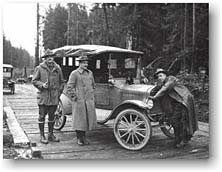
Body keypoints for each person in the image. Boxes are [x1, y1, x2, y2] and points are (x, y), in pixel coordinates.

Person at [150, 68, 198, 148]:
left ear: (165, 75)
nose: (159, 78)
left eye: (161, 75)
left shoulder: (171, 79)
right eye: (158, 77)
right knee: (176, 120)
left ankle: (182, 140)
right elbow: (157, 88)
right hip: (178, 101)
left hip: (183, 99)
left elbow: (165, 88)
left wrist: (155, 97)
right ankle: (179, 139)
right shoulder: (164, 82)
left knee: (181, 120)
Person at [32, 49, 64, 144]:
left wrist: (59, 92)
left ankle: (51, 135)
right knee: (42, 116)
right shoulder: (40, 68)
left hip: (54, 97)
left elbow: (62, 82)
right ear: (45, 59)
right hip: (43, 97)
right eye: (48, 57)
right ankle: (42, 136)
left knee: (52, 116)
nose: (50, 59)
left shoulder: (58, 68)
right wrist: (42, 85)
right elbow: (34, 81)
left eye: (52, 57)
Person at [66, 55, 97, 146]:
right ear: (79, 63)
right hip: (79, 101)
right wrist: (75, 97)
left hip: (88, 100)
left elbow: (93, 85)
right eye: (83, 63)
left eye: (86, 62)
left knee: (86, 120)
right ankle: (79, 138)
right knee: (79, 120)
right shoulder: (74, 73)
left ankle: (84, 138)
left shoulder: (90, 73)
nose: (85, 64)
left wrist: (91, 95)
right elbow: (69, 87)